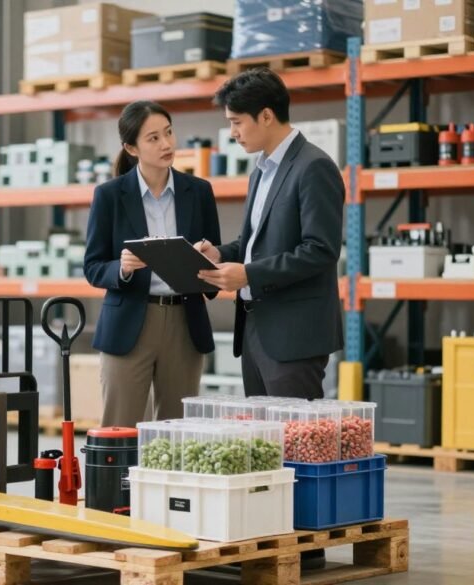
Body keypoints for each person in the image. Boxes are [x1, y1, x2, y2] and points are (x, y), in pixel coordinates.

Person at [196, 68, 344, 401]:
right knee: (262, 445)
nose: (232, 133)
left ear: (265, 116)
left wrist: (248, 274)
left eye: (236, 122)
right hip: (255, 330)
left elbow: (320, 250)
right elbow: (254, 244)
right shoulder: (261, 170)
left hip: (293, 337)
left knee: (295, 445)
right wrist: (221, 254)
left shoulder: (313, 167)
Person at [83, 100, 222, 428]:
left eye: (169, 133)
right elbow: (92, 265)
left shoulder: (199, 192)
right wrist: (122, 268)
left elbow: (216, 258)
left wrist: (210, 256)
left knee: (179, 432)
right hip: (130, 321)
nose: (167, 144)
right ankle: (120, 483)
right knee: (120, 427)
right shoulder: (109, 196)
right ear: (131, 147)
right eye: (154, 138)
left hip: (185, 322)